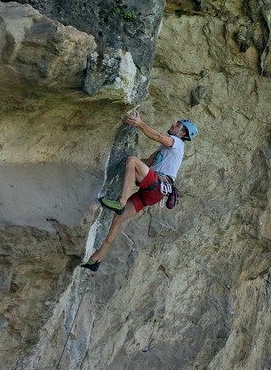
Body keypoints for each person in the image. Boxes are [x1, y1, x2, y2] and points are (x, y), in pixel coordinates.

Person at [81, 112, 198, 272]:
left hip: (157, 185)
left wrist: (140, 124)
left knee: (132, 160)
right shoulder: (165, 149)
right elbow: (148, 162)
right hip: (153, 194)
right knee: (117, 219)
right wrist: (123, 163)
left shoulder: (176, 142)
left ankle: (121, 201)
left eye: (177, 125)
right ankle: (97, 259)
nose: (173, 125)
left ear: (182, 133)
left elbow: (157, 136)